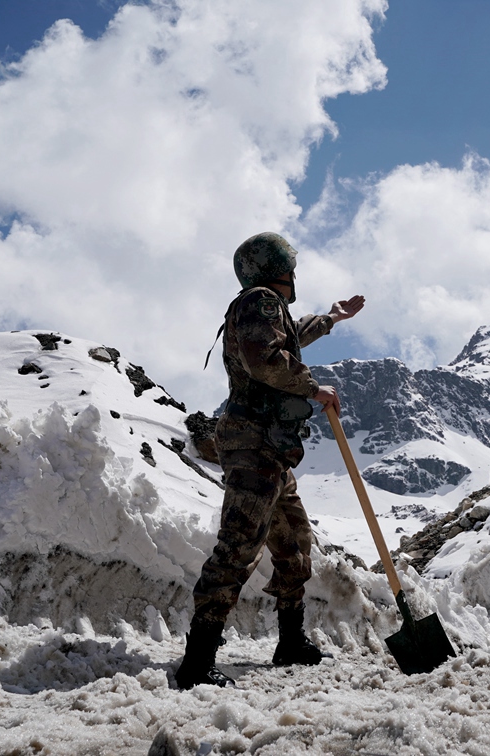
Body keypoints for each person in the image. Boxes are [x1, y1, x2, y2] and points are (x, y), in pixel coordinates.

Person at [177, 232, 364, 688]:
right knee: (238, 546)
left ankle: (290, 642)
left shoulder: (264, 307)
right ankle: (197, 661)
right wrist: (312, 387)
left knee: (295, 545)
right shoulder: (259, 300)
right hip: (253, 446)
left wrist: (331, 319)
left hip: (273, 452)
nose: (293, 272)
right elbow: (266, 360)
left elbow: (289, 339)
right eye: (288, 265)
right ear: (269, 267)